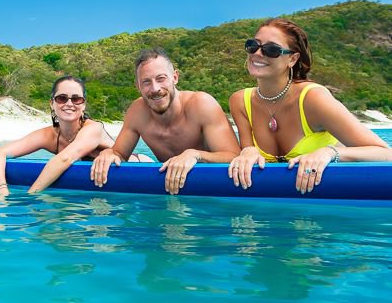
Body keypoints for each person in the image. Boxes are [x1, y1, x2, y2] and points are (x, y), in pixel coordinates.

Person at [228, 18, 391, 193]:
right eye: (253, 45)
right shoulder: (239, 102)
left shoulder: (313, 98)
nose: (258, 53)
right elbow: (247, 150)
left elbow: (385, 153)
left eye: (271, 50)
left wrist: (330, 153)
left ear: (292, 59)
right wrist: (248, 152)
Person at [91, 48, 241, 194]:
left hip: (212, 189)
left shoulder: (201, 104)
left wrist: (195, 155)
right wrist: (109, 155)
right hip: (170, 193)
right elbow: (119, 153)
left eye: (161, 79)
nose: (155, 88)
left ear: (175, 77)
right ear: (138, 86)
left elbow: (234, 156)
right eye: (146, 82)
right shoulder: (137, 113)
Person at [0, 76, 148, 195]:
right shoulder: (48, 135)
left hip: (141, 166)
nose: (69, 104)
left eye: (76, 99)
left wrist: (31, 196)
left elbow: (65, 158)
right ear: (52, 103)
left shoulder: (94, 129)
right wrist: (2, 192)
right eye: (62, 98)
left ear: (83, 104)